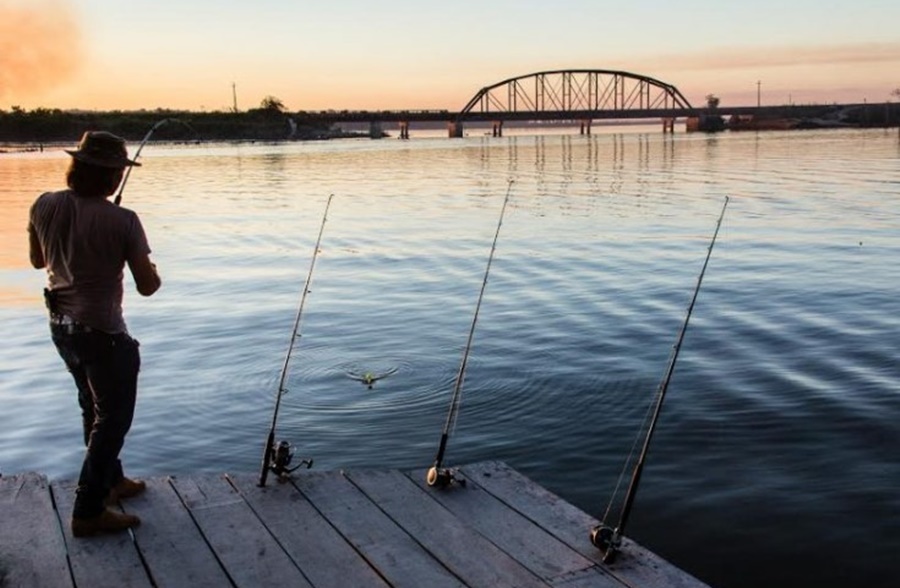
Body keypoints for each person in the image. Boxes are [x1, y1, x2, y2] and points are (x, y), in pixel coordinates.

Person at [28, 131, 161, 537]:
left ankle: (111, 483)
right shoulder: (124, 220)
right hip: (104, 333)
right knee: (113, 419)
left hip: (62, 329)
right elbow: (147, 286)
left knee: (92, 407)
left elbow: (38, 261)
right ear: (113, 177)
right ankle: (87, 509)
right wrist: (143, 261)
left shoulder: (43, 204)